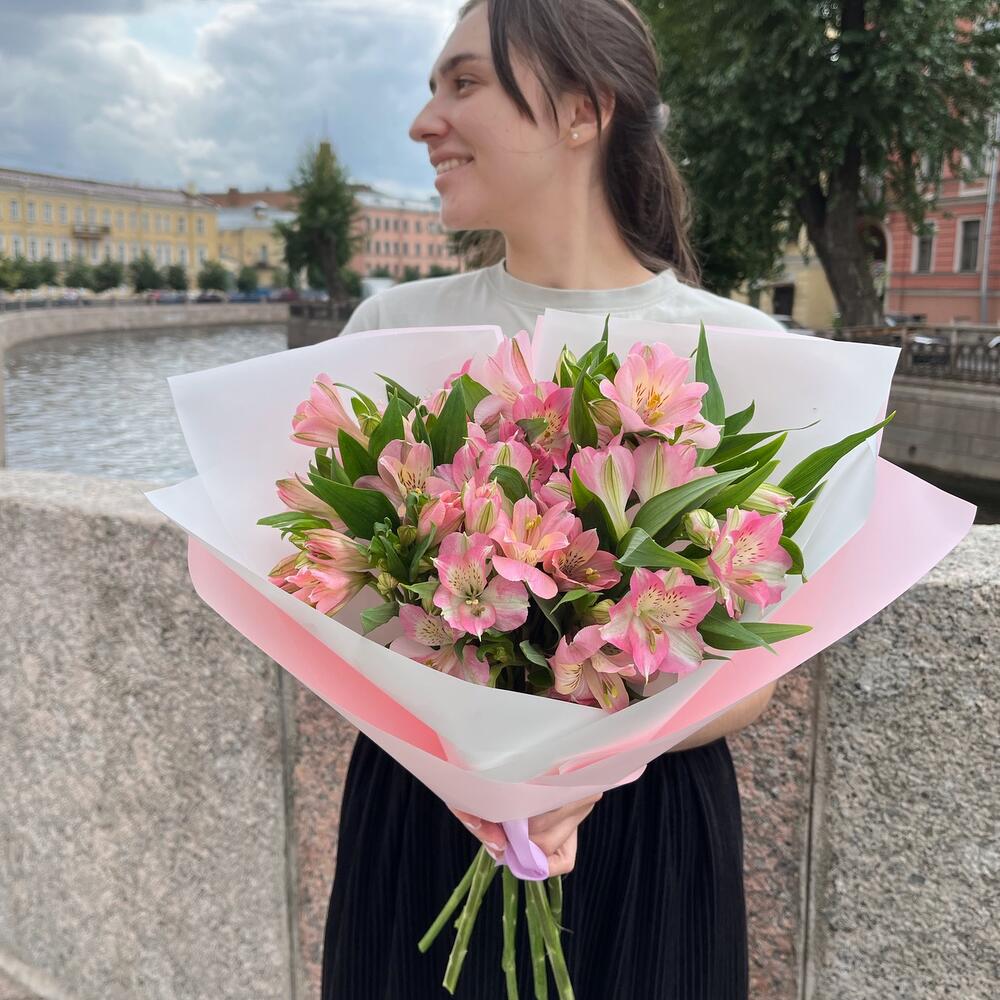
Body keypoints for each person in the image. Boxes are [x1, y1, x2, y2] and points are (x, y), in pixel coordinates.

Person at [322, 1, 784, 997]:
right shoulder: (387, 328)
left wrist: (583, 766)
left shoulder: (747, 349)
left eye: (464, 83)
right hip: (429, 805)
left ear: (582, 110)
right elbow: (338, 598)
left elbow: (756, 672)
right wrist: (473, 763)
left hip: (645, 821)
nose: (423, 122)